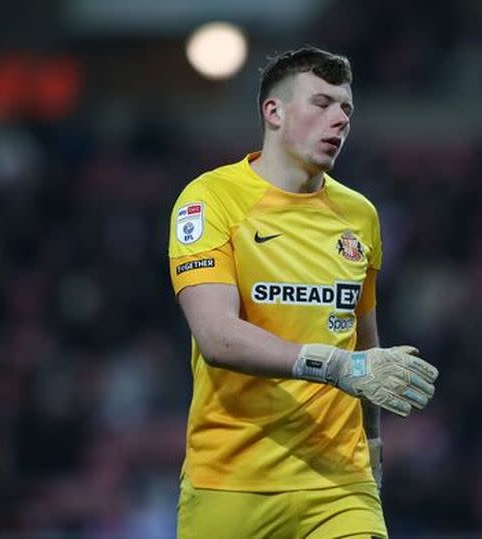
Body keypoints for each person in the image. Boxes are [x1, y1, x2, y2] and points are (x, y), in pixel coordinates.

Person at [168, 46, 439, 539]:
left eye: (346, 109)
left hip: (339, 485)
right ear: (273, 112)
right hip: (231, 483)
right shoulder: (210, 199)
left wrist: (373, 445)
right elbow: (217, 337)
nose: (339, 119)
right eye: (321, 103)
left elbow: (363, 347)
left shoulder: (360, 216)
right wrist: (338, 368)